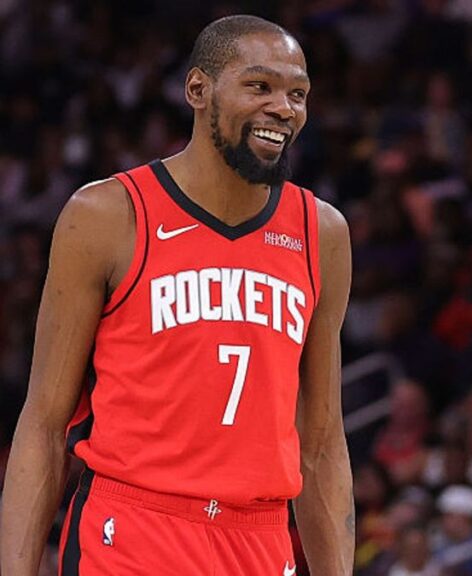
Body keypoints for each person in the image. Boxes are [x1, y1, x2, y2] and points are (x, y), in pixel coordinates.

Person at [0, 15, 355, 576]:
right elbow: (44, 423)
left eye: (298, 93)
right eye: (259, 86)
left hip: (258, 541)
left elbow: (323, 445)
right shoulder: (105, 216)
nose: (283, 108)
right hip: (132, 531)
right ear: (198, 90)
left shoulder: (322, 234)